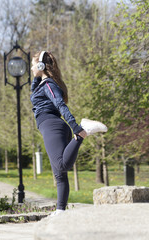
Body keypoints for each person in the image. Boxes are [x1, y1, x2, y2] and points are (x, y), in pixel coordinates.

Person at [30, 51, 107, 216]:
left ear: (41, 66)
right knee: (60, 174)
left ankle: (83, 132)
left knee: (62, 166)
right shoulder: (42, 84)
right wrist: (38, 74)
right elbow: (33, 90)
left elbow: (60, 104)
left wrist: (76, 128)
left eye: (33, 64)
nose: (31, 68)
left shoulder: (48, 85)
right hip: (53, 127)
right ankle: (60, 211)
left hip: (52, 126)